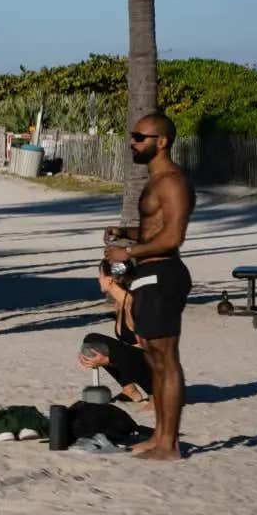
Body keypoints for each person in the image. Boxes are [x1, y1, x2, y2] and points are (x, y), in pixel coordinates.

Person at [103, 111, 194, 461]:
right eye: (133, 136)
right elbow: (154, 229)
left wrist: (128, 252)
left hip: (164, 274)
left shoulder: (172, 181)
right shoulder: (155, 181)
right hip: (149, 274)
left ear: (163, 142)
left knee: (166, 360)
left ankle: (169, 445)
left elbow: (173, 237)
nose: (133, 142)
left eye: (140, 137)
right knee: (154, 360)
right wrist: (125, 233)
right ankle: (159, 437)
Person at [79, 333, 151, 403]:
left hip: (153, 363)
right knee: (92, 341)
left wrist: (109, 359)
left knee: (113, 352)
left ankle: (153, 394)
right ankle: (129, 389)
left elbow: (148, 345)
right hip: (138, 357)